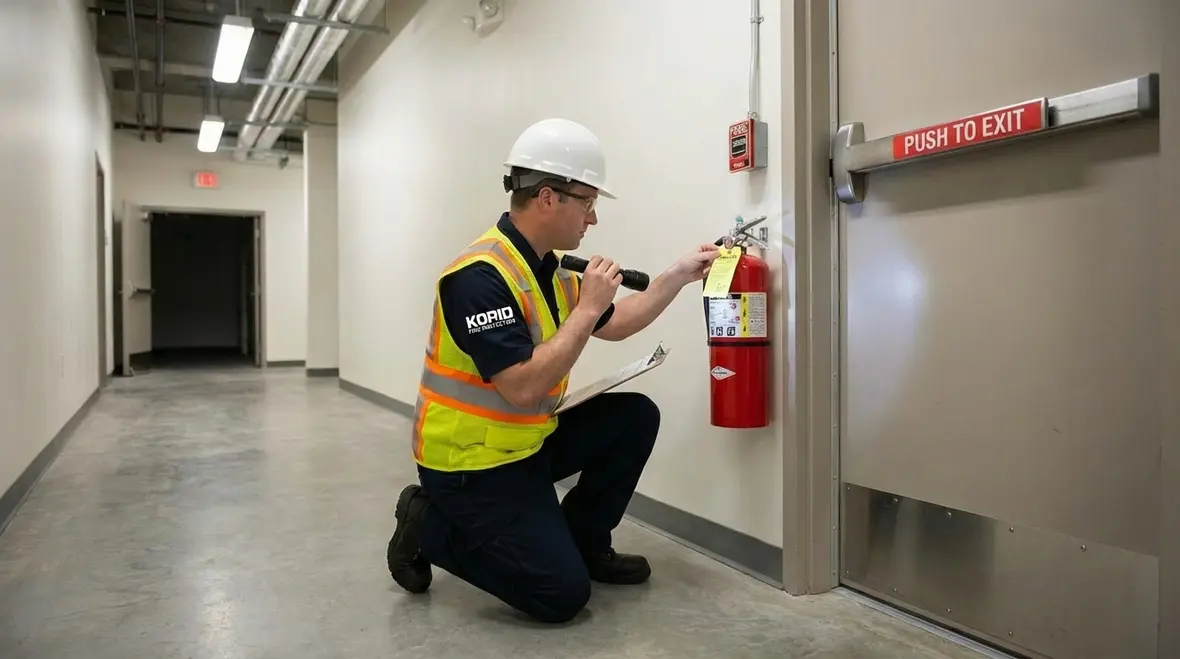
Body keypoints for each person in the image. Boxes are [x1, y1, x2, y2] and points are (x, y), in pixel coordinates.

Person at [385, 117, 720, 623]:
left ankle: (585, 544)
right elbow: (521, 386)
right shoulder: (478, 278)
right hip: (470, 466)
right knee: (559, 596)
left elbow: (621, 321)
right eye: (587, 202)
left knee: (634, 417)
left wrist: (676, 275)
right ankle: (424, 522)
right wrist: (586, 312)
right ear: (547, 198)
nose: (592, 219)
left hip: (526, 444)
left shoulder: (550, 268)